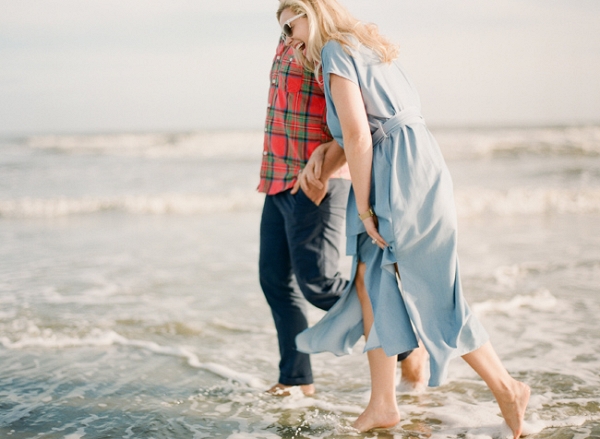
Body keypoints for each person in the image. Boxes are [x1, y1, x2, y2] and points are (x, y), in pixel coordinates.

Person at [276, 0, 531, 437]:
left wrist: (362, 206)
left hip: (398, 173)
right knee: (372, 283)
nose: (288, 37)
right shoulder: (364, 44)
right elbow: (376, 122)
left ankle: (507, 386)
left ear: (311, 12)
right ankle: (382, 403)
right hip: (413, 162)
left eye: (290, 24)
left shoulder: (335, 51)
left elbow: (359, 133)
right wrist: (328, 151)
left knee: (431, 288)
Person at [258, 17, 426, 397]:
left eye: (294, 15)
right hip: (276, 177)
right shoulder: (289, 37)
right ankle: (296, 379)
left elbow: (356, 121)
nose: (287, 24)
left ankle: (408, 343)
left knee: (317, 283)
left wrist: (329, 165)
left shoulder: (334, 47)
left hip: (319, 182)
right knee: (273, 280)